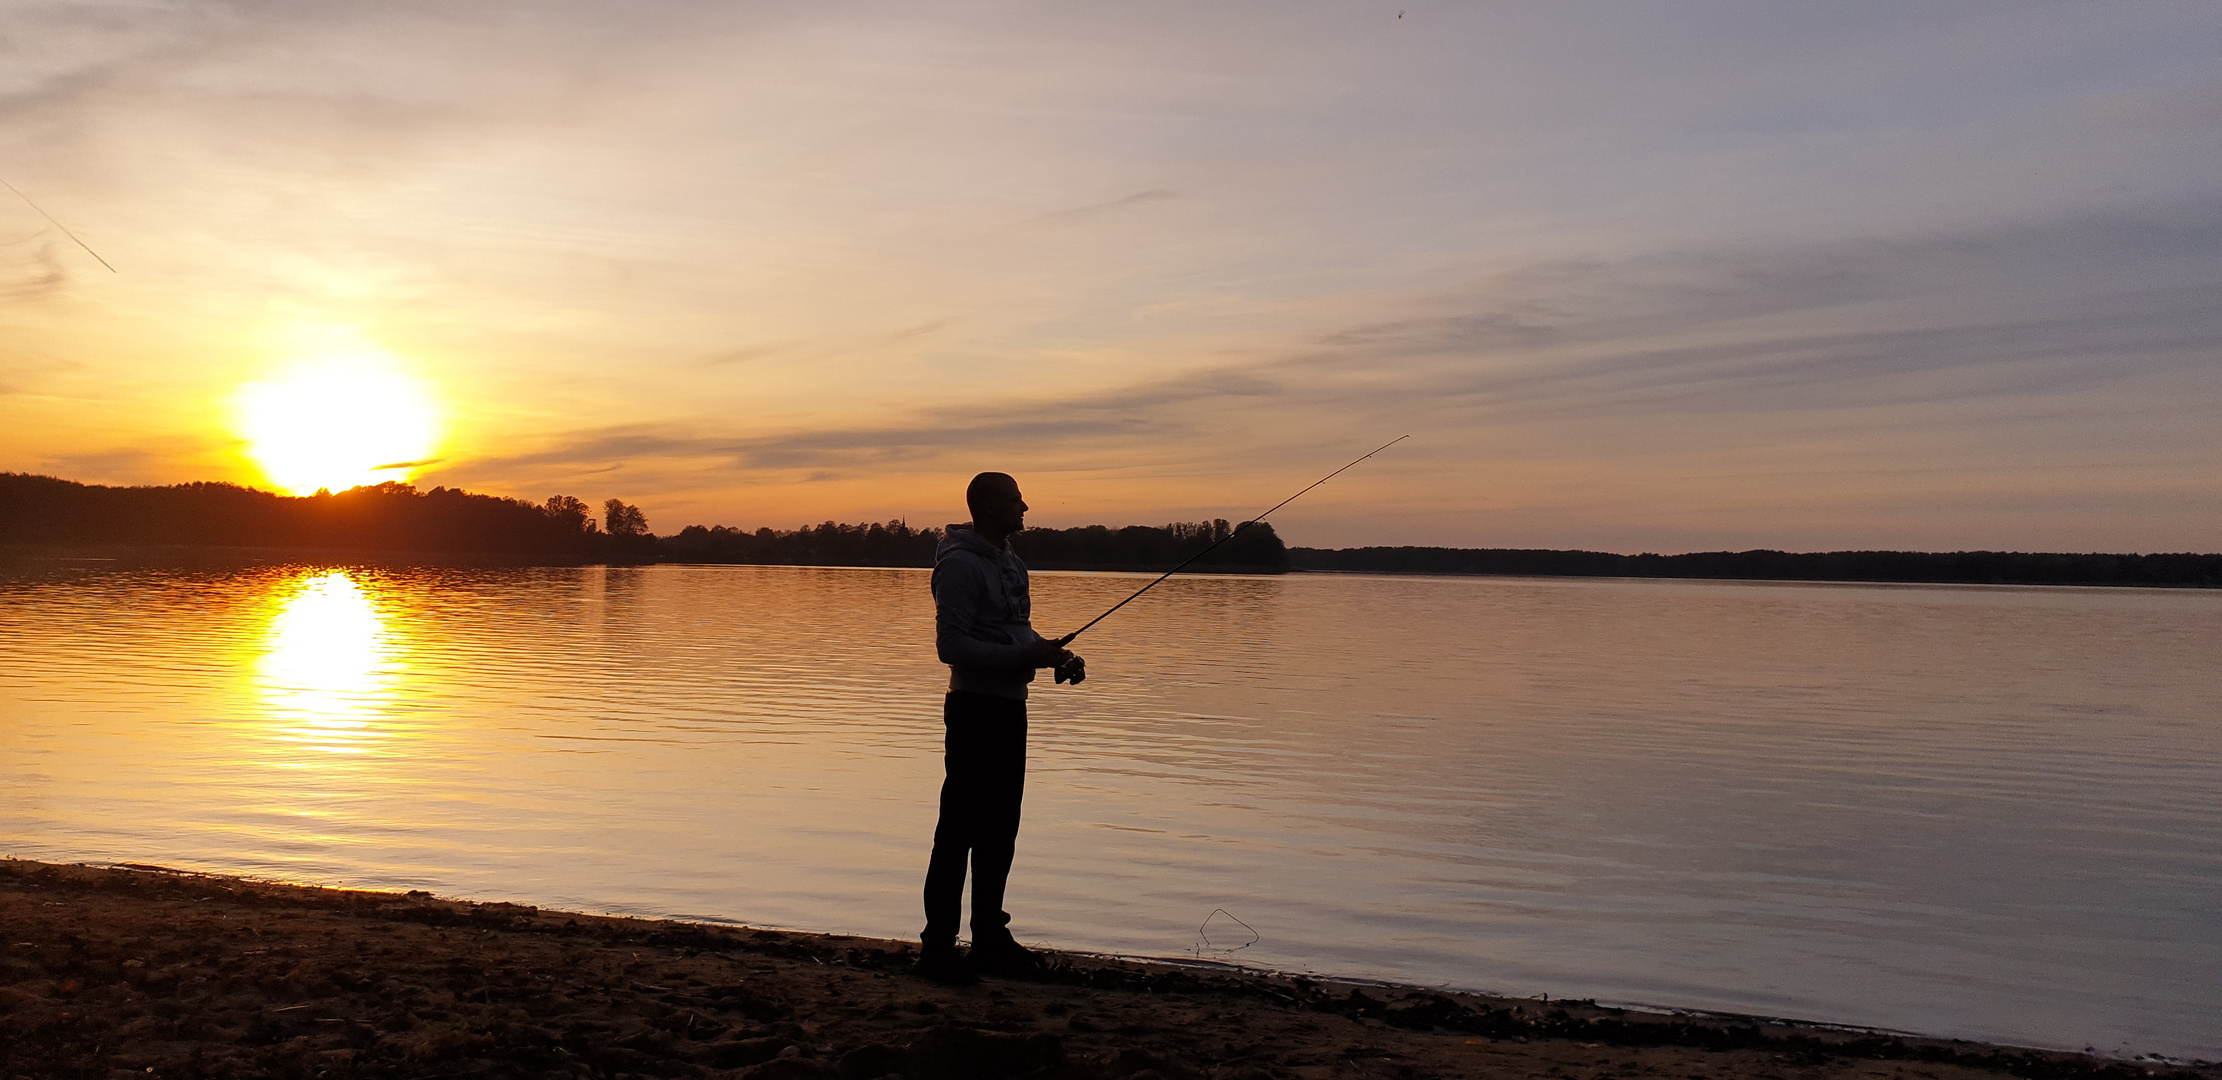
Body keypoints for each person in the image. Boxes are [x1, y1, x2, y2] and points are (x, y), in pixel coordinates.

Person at [915, 471, 1083, 983]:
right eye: (1014, 500)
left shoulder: (1012, 563)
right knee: (958, 832)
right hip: (973, 712)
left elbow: (1014, 633)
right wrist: (1022, 653)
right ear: (988, 508)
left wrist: (1052, 656)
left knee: (1000, 832)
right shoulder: (961, 567)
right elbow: (952, 647)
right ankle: (937, 949)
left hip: (1010, 708)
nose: (1026, 506)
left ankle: (989, 938)